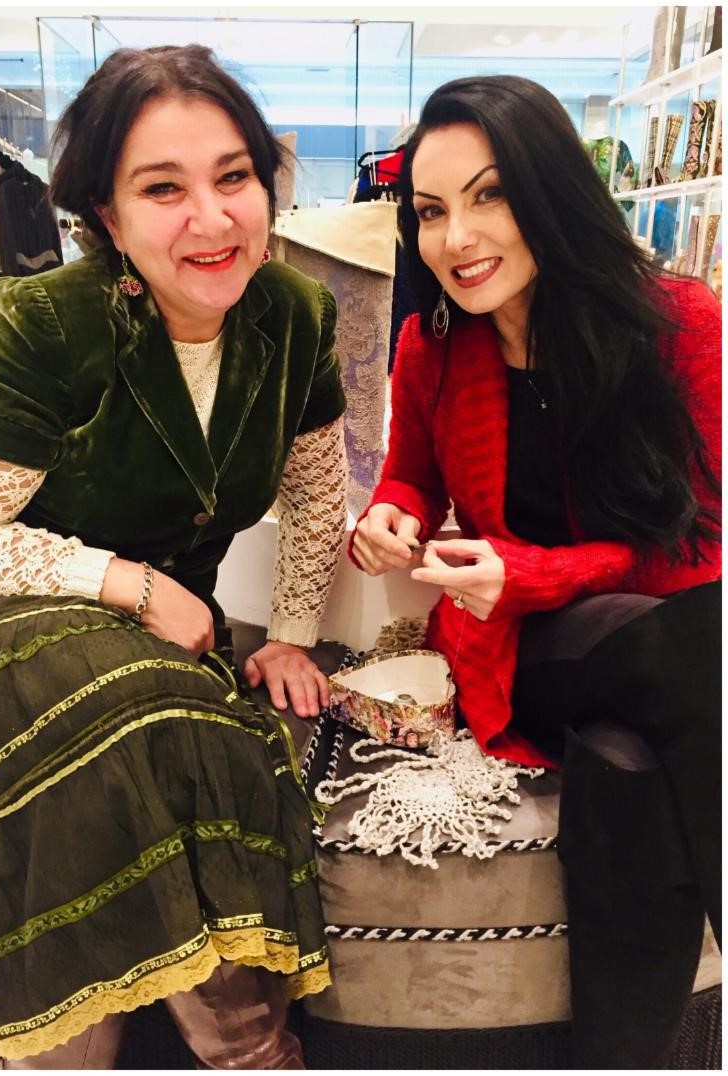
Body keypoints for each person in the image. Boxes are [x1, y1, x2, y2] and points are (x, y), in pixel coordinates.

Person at [0, 44, 349, 1069]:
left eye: (233, 176)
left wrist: (293, 635)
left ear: (266, 181)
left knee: (159, 709)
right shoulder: (40, 323)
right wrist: (125, 580)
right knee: (146, 719)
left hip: (153, 636)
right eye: (163, 188)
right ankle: (192, 1050)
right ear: (106, 217)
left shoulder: (293, 315)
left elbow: (312, 489)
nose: (210, 219)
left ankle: (232, 1044)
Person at [351, 75, 720, 1069]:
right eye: (429, 211)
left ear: (549, 188)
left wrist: (531, 569)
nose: (455, 236)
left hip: (652, 632)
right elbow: (405, 482)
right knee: (693, 641)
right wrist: (386, 519)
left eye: (488, 194)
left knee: (625, 767)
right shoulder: (431, 347)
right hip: (530, 647)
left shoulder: (678, 320)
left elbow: (694, 541)